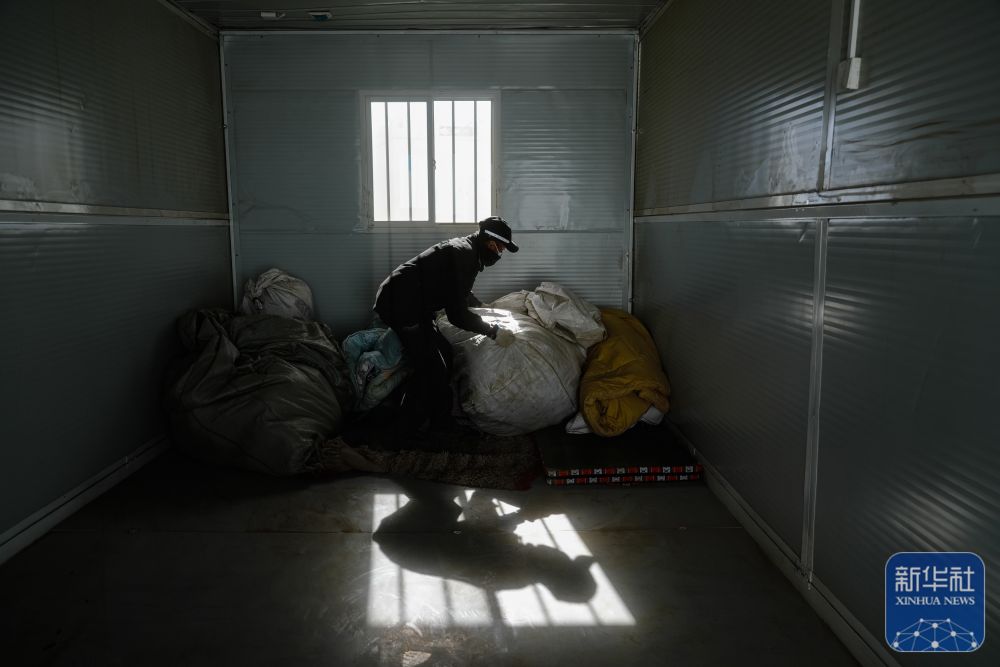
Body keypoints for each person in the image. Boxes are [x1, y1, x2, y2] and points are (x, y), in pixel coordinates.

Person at [374, 216, 518, 431]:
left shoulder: (468, 251)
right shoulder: (464, 256)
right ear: (489, 242)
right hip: (401, 306)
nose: (500, 253)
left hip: (414, 304)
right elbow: (457, 315)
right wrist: (493, 332)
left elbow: (460, 291)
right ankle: (408, 427)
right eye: (500, 248)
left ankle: (437, 419)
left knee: (444, 353)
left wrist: (482, 306)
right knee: (433, 368)